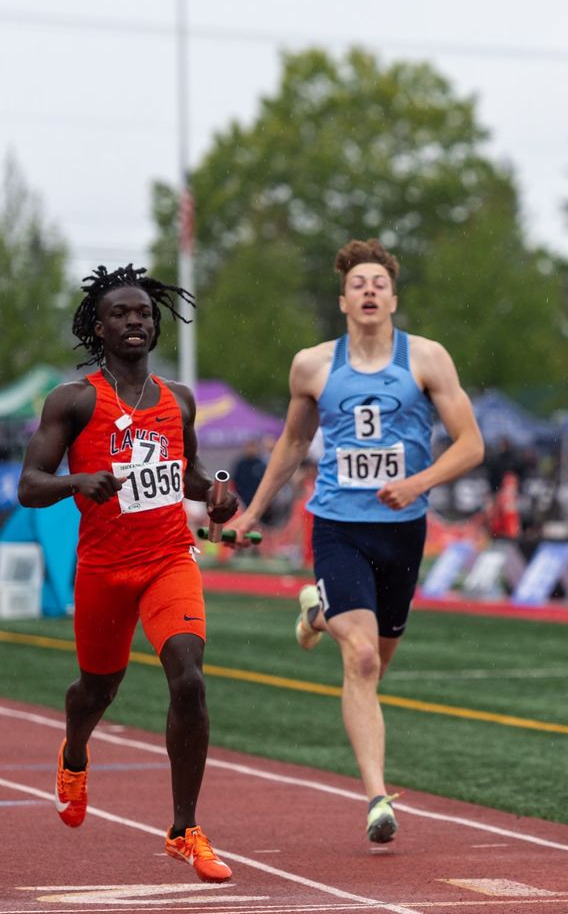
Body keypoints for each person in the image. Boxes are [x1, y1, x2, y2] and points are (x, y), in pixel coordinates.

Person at [224, 238, 484, 843]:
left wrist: (416, 481)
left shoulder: (427, 360)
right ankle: (376, 797)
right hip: (338, 526)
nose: (369, 291)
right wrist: (251, 512)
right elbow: (291, 446)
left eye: (379, 283)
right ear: (343, 300)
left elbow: (471, 445)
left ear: (393, 297)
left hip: (404, 531)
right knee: (360, 657)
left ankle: (318, 614)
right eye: (358, 284)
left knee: (377, 661)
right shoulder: (313, 366)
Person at [17, 264, 239, 883]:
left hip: (168, 558)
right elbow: (29, 485)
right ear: (98, 326)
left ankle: (184, 828)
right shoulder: (74, 400)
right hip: (104, 570)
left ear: (155, 323)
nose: (134, 320)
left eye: (143, 312)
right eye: (119, 313)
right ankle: (74, 751)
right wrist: (75, 482)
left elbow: (190, 473)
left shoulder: (178, 399)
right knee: (97, 691)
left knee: (189, 678)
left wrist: (219, 491)